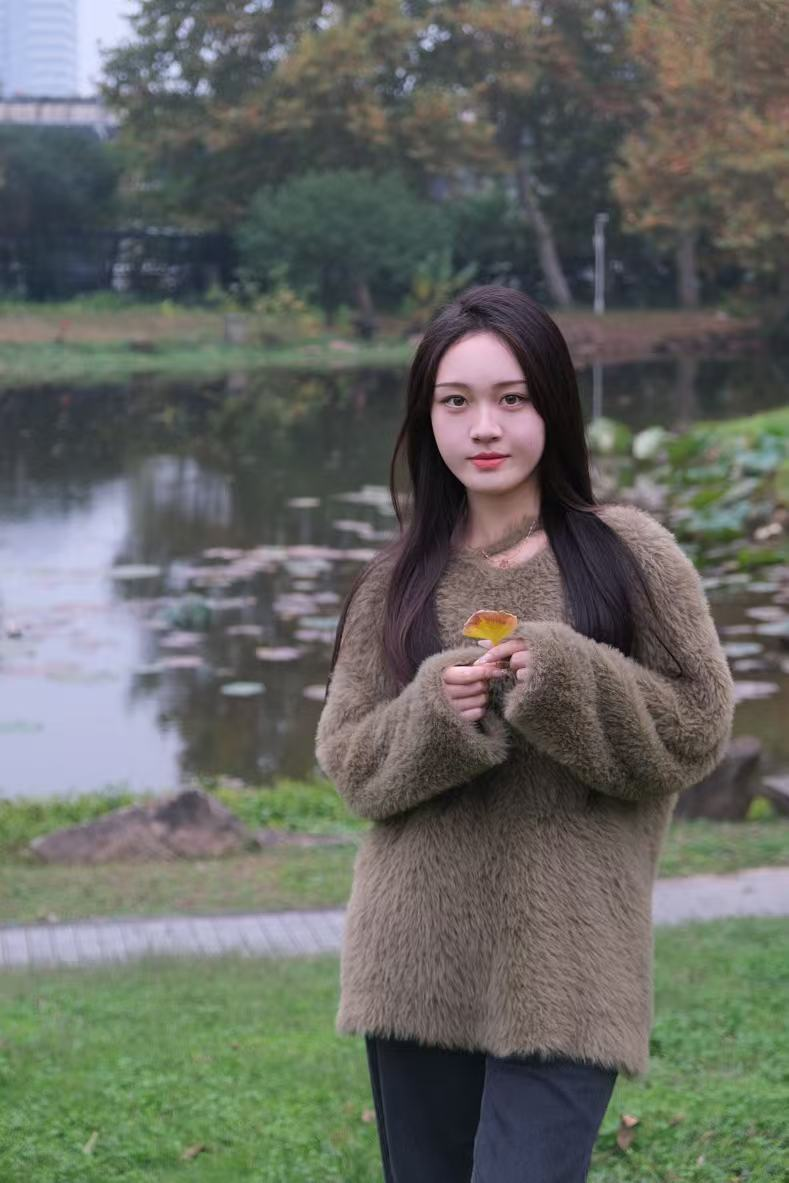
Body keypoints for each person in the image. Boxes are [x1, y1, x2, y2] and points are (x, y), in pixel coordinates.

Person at [314, 284, 735, 1182]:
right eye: (454, 401)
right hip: (413, 964)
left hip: (569, 968)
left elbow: (697, 728)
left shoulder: (629, 554)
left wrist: (563, 673)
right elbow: (350, 764)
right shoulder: (395, 579)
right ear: (424, 416)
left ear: (553, 405)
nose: (484, 427)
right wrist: (439, 710)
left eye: (512, 397)